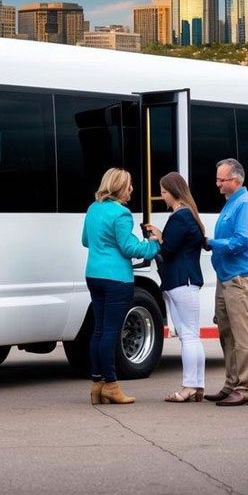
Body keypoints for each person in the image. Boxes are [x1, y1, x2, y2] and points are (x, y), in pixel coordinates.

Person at [81, 168, 161, 405]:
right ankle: (112, 385)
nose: (132, 190)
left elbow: (85, 240)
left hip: (93, 274)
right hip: (117, 278)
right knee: (111, 333)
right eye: (129, 185)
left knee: (98, 331)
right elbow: (129, 249)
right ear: (119, 188)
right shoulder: (122, 214)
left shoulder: (93, 208)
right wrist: (153, 244)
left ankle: (97, 384)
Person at [204, 158, 248, 407]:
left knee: (241, 335)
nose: (218, 183)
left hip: (242, 277)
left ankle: (247, 388)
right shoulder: (232, 203)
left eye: (222, 179)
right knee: (226, 332)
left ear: (236, 180)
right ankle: (232, 384)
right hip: (227, 276)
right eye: (218, 178)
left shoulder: (246, 205)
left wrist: (210, 243)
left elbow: (241, 240)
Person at [157, 172, 206, 403]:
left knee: (188, 336)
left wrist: (158, 237)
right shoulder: (190, 215)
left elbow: (167, 250)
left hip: (180, 280)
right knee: (192, 334)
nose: (162, 196)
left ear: (174, 192)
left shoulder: (180, 217)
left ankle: (188, 386)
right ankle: (197, 385)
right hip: (187, 281)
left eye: (164, 192)